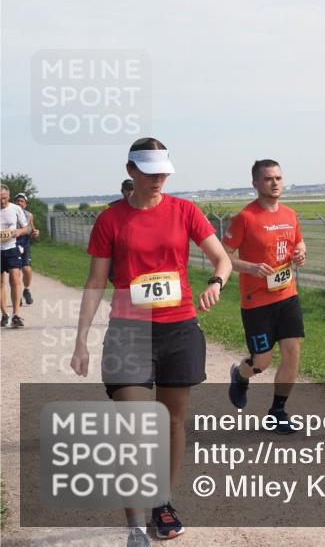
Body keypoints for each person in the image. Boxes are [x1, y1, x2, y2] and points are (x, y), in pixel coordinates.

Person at [70, 138, 232, 546]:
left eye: (164, 172)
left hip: (179, 329)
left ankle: (163, 501)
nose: (159, 178)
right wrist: (81, 341)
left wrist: (216, 282)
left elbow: (222, 258)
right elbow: (94, 283)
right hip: (129, 331)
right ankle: (136, 524)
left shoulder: (185, 211)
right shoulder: (111, 221)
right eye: (150, 171)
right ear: (131, 171)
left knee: (173, 422)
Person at [223, 159, 307, 432]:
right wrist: (251, 267)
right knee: (262, 361)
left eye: (278, 178)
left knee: (292, 354)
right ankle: (241, 374)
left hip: (287, 295)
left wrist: (301, 252)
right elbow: (222, 255)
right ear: (255, 183)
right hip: (257, 301)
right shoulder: (245, 218)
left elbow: (298, 242)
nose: (275, 183)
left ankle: (277, 411)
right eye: (269, 178)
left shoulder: (290, 215)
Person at [0, 185, 30, 328]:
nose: (2, 201)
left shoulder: (15, 209)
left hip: (12, 248)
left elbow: (27, 228)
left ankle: (16, 314)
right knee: (0, 283)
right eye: (0, 199)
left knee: (15, 279)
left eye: (4, 198)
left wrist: (19, 232)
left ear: (9, 196)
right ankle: (4, 314)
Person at [14, 193, 39, 306]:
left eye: (22, 201)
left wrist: (35, 233)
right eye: (17, 201)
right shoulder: (10, 213)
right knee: (15, 272)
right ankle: (17, 295)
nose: (19, 203)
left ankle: (26, 290)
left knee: (27, 269)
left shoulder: (29, 215)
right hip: (13, 244)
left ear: (26, 204)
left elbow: (32, 229)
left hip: (25, 244)